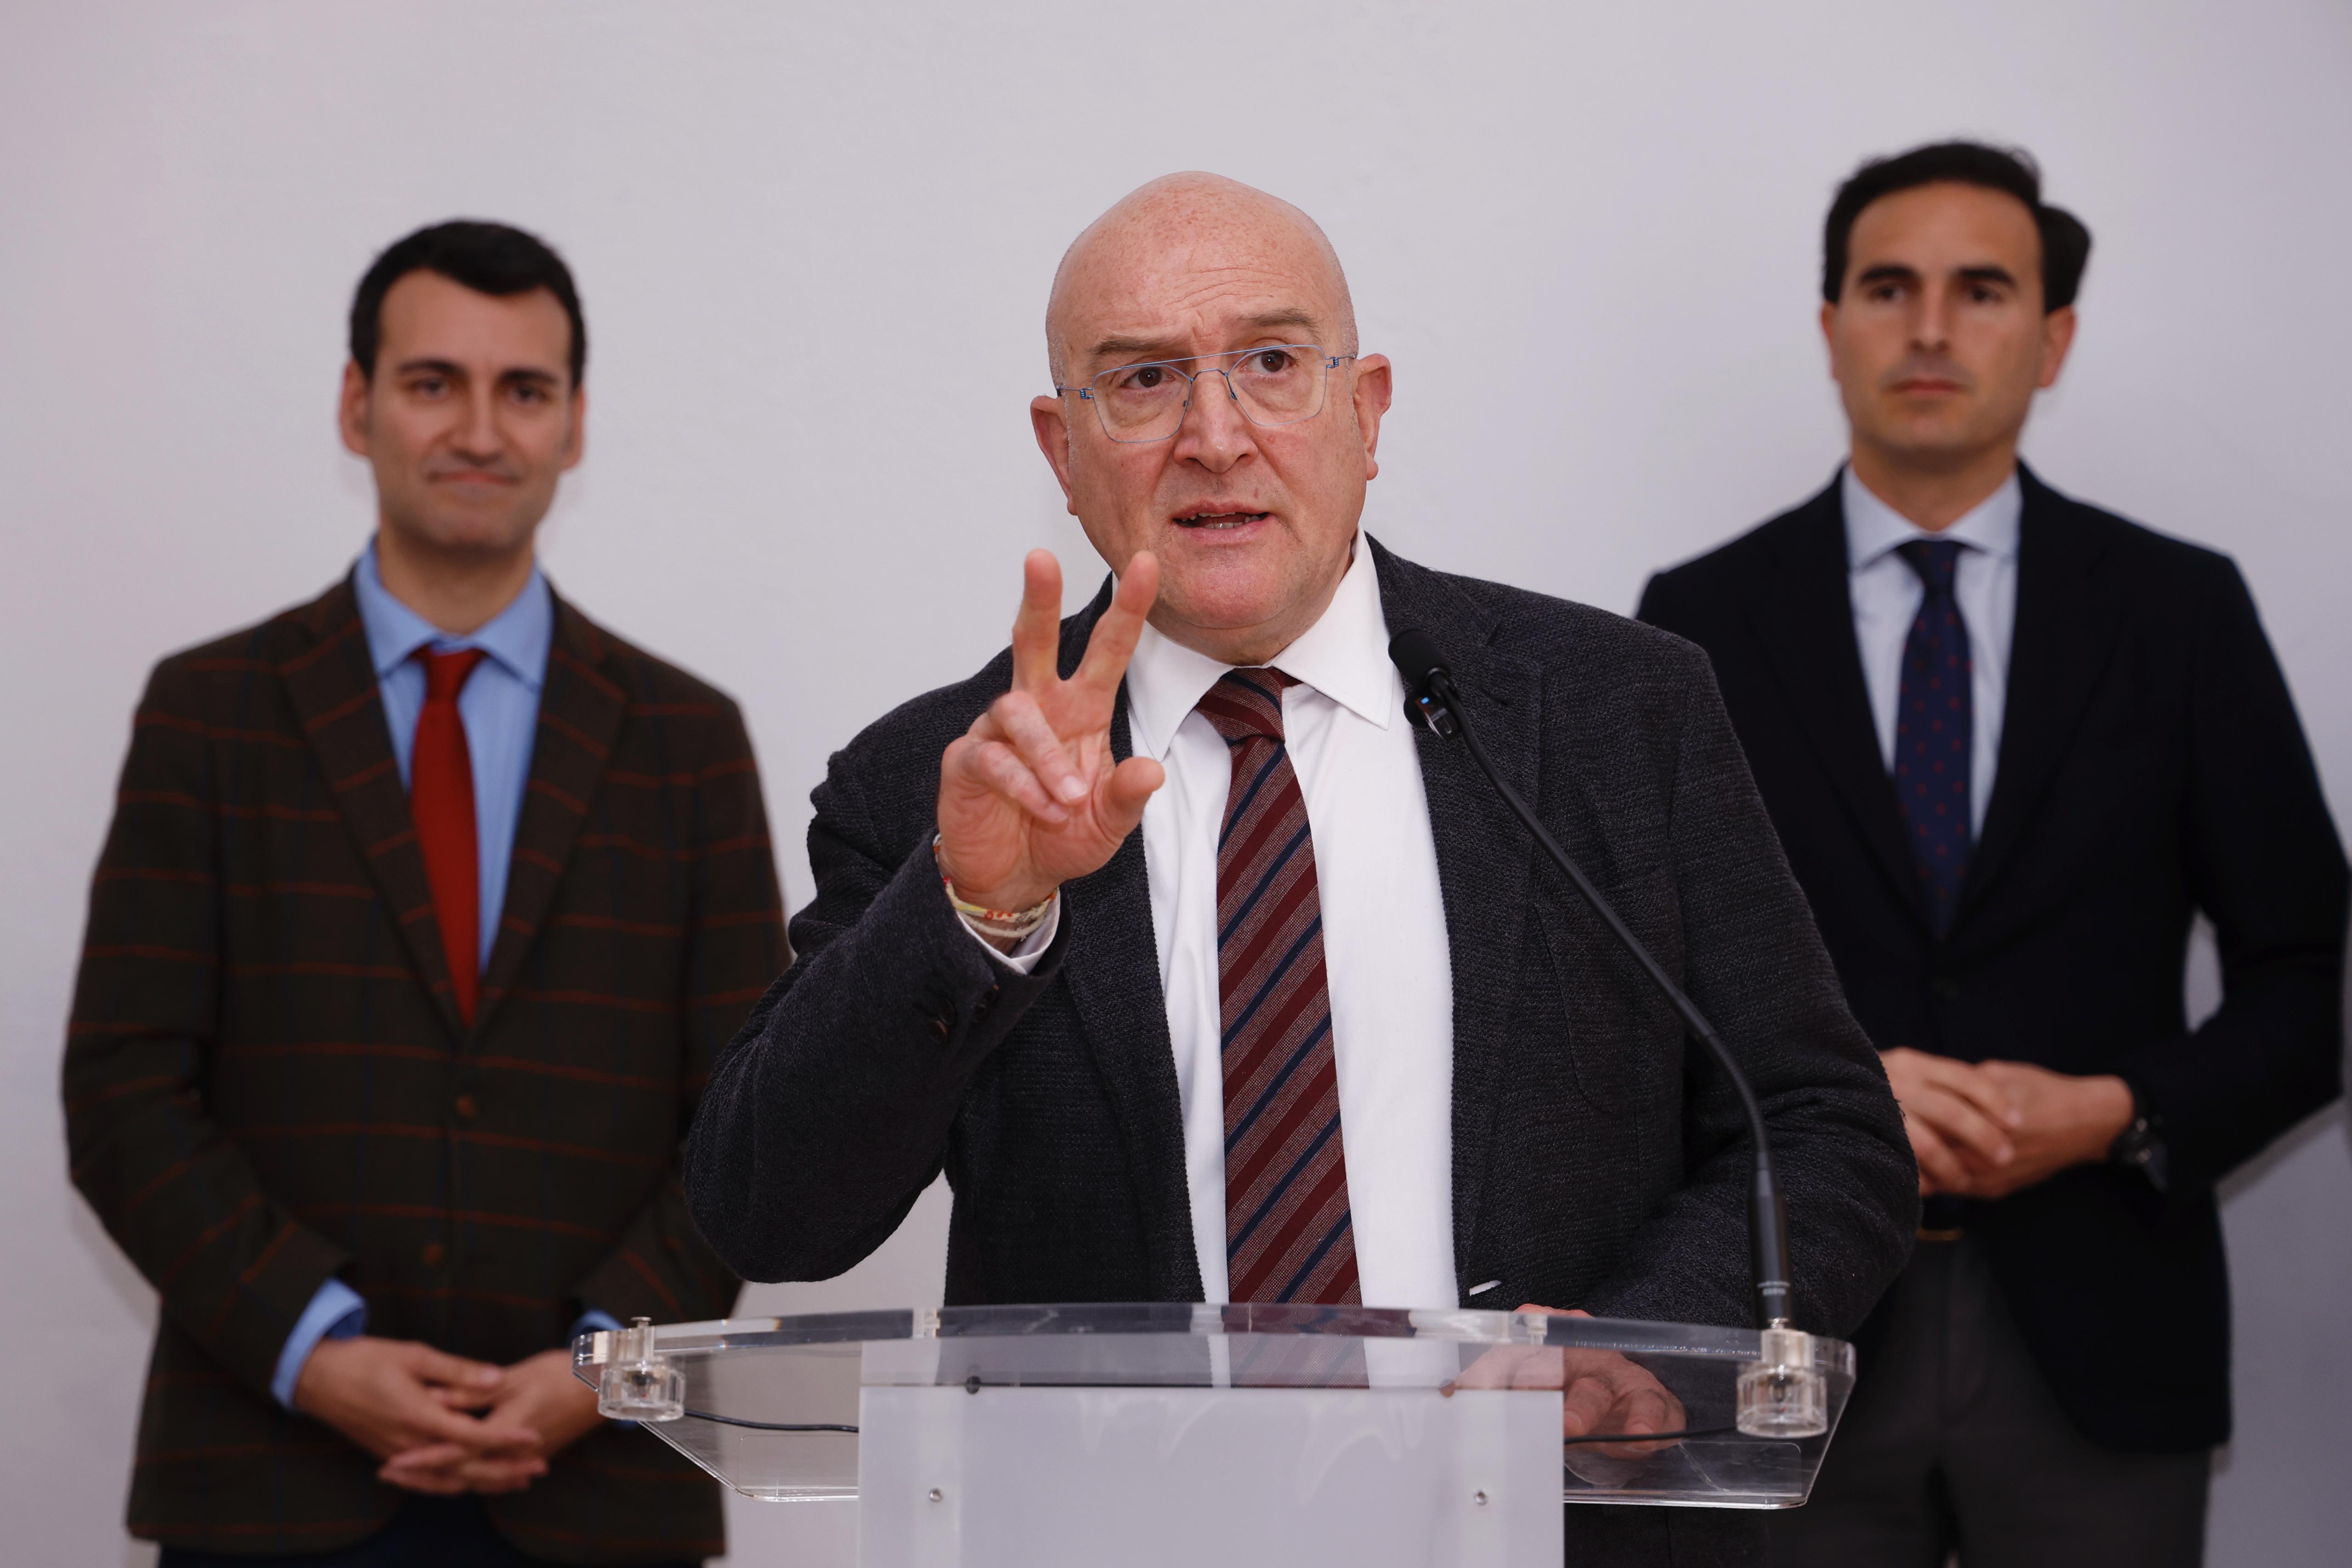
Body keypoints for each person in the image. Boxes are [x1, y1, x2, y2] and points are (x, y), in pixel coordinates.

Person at [685, 173, 1916, 1565]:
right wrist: (979, 911)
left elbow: (1822, 1132)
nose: (1216, 437)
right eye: (1143, 380)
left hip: (1553, 1530)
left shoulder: (1619, 713)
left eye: (1271, 362)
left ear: (1366, 411)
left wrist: (1633, 1347)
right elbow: (769, 1214)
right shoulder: (941, 777)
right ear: (1063, 449)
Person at [1638, 142, 2348, 1567]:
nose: (1930, 328)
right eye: (1887, 288)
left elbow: (2307, 980)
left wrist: (2117, 1111)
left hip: (2103, 1325)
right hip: (1795, 1329)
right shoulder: (1699, 618)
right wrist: (1843, 1104)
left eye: (1981, 290)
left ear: (2053, 338)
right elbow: (1641, 989)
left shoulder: (2179, 611)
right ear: (1831, 326)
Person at [63, 221, 787, 1566]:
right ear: (358, 407)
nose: (481, 431)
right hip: (268, 1479)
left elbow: (744, 1122)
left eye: (526, 390)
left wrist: (605, 1365)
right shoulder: (210, 715)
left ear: (575, 427)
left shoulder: (686, 742)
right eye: (433, 383)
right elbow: (122, 1093)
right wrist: (312, 1348)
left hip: (600, 1493)